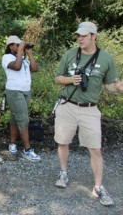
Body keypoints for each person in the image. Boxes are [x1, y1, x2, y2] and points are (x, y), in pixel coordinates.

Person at [54, 21, 123, 206]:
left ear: (94, 36)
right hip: (67, 105)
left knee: (95, 149)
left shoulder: (105, 58)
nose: (80, 38)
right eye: (78, 35)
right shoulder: (70, 54)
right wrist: (70, 79)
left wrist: (118, 87)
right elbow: (57, 78)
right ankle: (63, 172)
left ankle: (98, 187)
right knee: (62, 142)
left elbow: (110, 85)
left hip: (90, 109)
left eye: (84, 35)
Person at [1, 35, 41, 162]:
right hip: (14, 91)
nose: (20, 47)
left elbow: (35, 69)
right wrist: (19, 52)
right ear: (10, 46)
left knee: (15, 118)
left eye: (20, 45)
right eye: (17, 45)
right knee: (23, 119)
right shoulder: (6, 57)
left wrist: (29, 53)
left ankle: (12, 144)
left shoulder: (23, 58)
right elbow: (16, 67)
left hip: (25, 91)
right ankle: (27, 150)